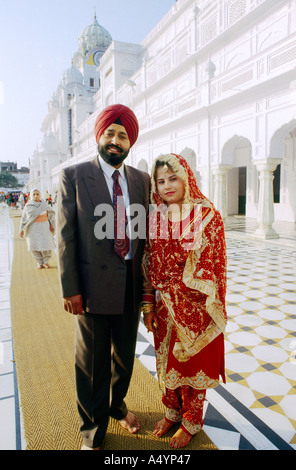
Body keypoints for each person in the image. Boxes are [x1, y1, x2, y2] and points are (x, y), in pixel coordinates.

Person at [57, 104, 150, 450]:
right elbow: (65, 239)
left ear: (130, 142)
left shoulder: (141, 180)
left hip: (130, 285)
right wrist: (71, 288)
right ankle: (92, 431)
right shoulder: (75, 176)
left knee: (124, 358)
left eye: (122, 135)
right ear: (99, 136)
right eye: (109, 133)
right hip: (92, 288)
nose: (115, 140)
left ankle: (116, 406)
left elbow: (146, 235)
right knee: (92, 363)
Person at [141, 153, 227, 449]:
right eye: (160, 181)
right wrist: (148, 305)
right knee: (166, 362)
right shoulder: (155, 217)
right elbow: (148, 261)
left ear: (187, 178)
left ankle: (191, 420)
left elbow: (214, 263)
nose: (166, 186)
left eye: (173, 178)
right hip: (164, 305)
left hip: (197, 307)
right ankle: (172, 411)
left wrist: (183, 286)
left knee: (192, 366)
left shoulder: (207, 215)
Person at [19, 188, 55, 269]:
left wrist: (52, 224)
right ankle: (39, 262)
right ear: (31, 195)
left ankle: (46, 261)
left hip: (44, 227)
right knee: (33, 245)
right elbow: (24, 218)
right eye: (34, 194)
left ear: (40, 195)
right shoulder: (28, 206)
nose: (36, 196)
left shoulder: (44, 205)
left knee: (46, 244)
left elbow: (51, 215)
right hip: (33, 228)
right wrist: (21, 229)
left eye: (37, 194)